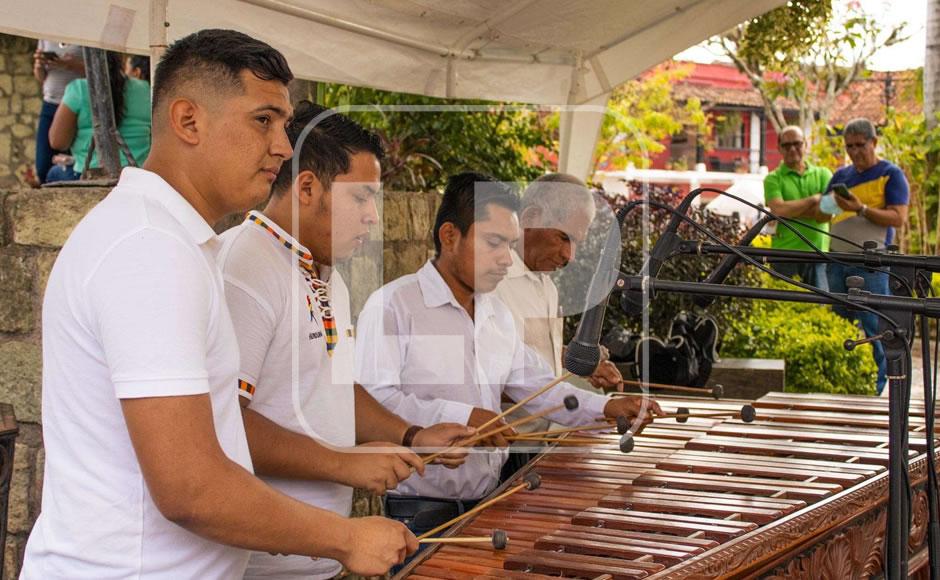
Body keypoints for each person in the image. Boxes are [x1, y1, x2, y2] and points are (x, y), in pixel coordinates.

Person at [22, 29, 414, 579]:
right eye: (264, 120)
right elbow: (190, 488)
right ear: (188, 121)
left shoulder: (172, 240)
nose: (282, 145)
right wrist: (344, 537)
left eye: (282, 124)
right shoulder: (149, 248)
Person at [219, 101, 472, 580]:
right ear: (309, 188)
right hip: (258, 567)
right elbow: (223, 422)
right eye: (362, 198)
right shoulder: (246, 267)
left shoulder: (325, 272)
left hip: (315, 558)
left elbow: (336, 386)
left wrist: (412, 437)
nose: (373, 218)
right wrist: (343, 464)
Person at [355, 172, 660, 542]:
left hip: (490, 500)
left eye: (510, 244)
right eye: (494, 243)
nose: (505, 258)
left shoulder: (496, 314)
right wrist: (465, 417)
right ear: (450, 236)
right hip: (420, 512)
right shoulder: (393, 305)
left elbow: (540, 387)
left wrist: (606, 408)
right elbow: (371, 404)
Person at [827, 118, 910, 395]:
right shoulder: (840, 176)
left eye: (860, 145)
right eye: (849, 146)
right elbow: (824, 209)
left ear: (873, 142)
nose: (854, 151)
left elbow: (898, 218)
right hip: (837, 261)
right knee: (839, 326)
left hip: (872, 263)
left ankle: (881, 389)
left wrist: (861, 208)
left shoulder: (891, 173)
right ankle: (848, 383)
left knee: (875, 326)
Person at [47, 51, 151, 182]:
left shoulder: (79, 89)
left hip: (89, 173)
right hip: (137, 172)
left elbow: (58, 142)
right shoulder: (145, 89)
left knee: (53, 173)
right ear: (121, 60)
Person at [762, 125, 833, 289]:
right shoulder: (772, 179)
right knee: (783, 308)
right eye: (786, 145)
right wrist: (815, 199)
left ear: (805, 144)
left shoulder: (824, 174)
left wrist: (790, 210)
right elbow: (779, 210)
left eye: (797, 144)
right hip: (784, 256)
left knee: (820, 307)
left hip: (818, 255)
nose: (792, 149)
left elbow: (828, 213)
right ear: (779, 148)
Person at [32, 39, 84, 184]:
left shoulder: (84, 34)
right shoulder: (45, 35)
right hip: (50, 103)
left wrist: (68, 64)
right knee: (42, 165)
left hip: (75, 105)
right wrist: (39, 66)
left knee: (71, 162)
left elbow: (95, 72)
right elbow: (41, 78)